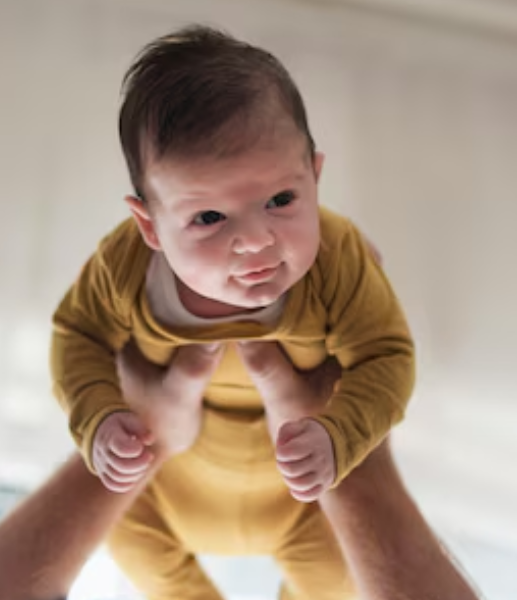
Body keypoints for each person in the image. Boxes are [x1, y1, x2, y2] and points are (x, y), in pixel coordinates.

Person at [50, 25, 415, 600]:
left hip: (302, 500)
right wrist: (96, 417)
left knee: (341, 571)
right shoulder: (124, 266)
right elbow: (77, 334)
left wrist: (338, 434)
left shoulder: (339, 258)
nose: (256, 242)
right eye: (210, 219)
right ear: (150, 225)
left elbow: (387, 354)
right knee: (124, 536)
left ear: (314, 179)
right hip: (168, 490)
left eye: (281, 201)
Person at [0, 340, 480, 600]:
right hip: (303, 501)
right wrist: (353, 457)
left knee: (132, 538)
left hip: (174, 468)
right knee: (332, 582)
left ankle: (147, 435)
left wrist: (141, 436)